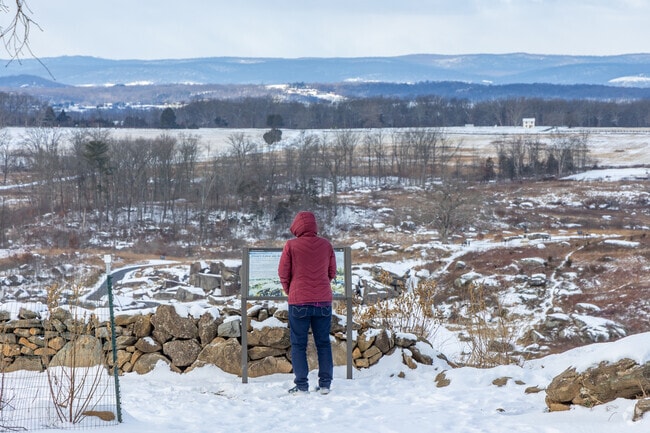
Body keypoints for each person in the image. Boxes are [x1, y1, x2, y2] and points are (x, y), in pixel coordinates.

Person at [278, 211, 336, 395]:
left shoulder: (291, 246)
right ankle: (325, 384)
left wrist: (291, 290)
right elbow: (332, 272)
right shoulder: (326, 245)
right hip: (323, 301)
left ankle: (302, 385)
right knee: (323, 343)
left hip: (299, 302)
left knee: (298, 344)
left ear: (297, 226)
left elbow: (283, 272)